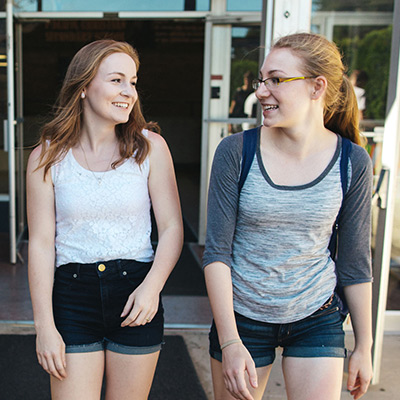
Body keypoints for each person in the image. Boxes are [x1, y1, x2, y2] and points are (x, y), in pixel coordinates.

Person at [203, 32, 373, 400]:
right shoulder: (235, 151)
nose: (261, 91)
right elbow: (217, 253)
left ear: (317, 87)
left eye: (276, 80)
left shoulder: (352, 162)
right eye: (261, 80)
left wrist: (365, 345)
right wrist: (230, 341)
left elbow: (355, 263)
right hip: (242, 318)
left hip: (317, 315)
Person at [26, 39, 183, 399]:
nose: (128, 91)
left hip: (136, 294)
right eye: (117, 80)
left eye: (133, 82)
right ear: (83, 87)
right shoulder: (46, 157)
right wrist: (44, 325)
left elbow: (172, 228)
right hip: (71, 296)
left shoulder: (150, 147)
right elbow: (40, 243)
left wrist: (152, 287)